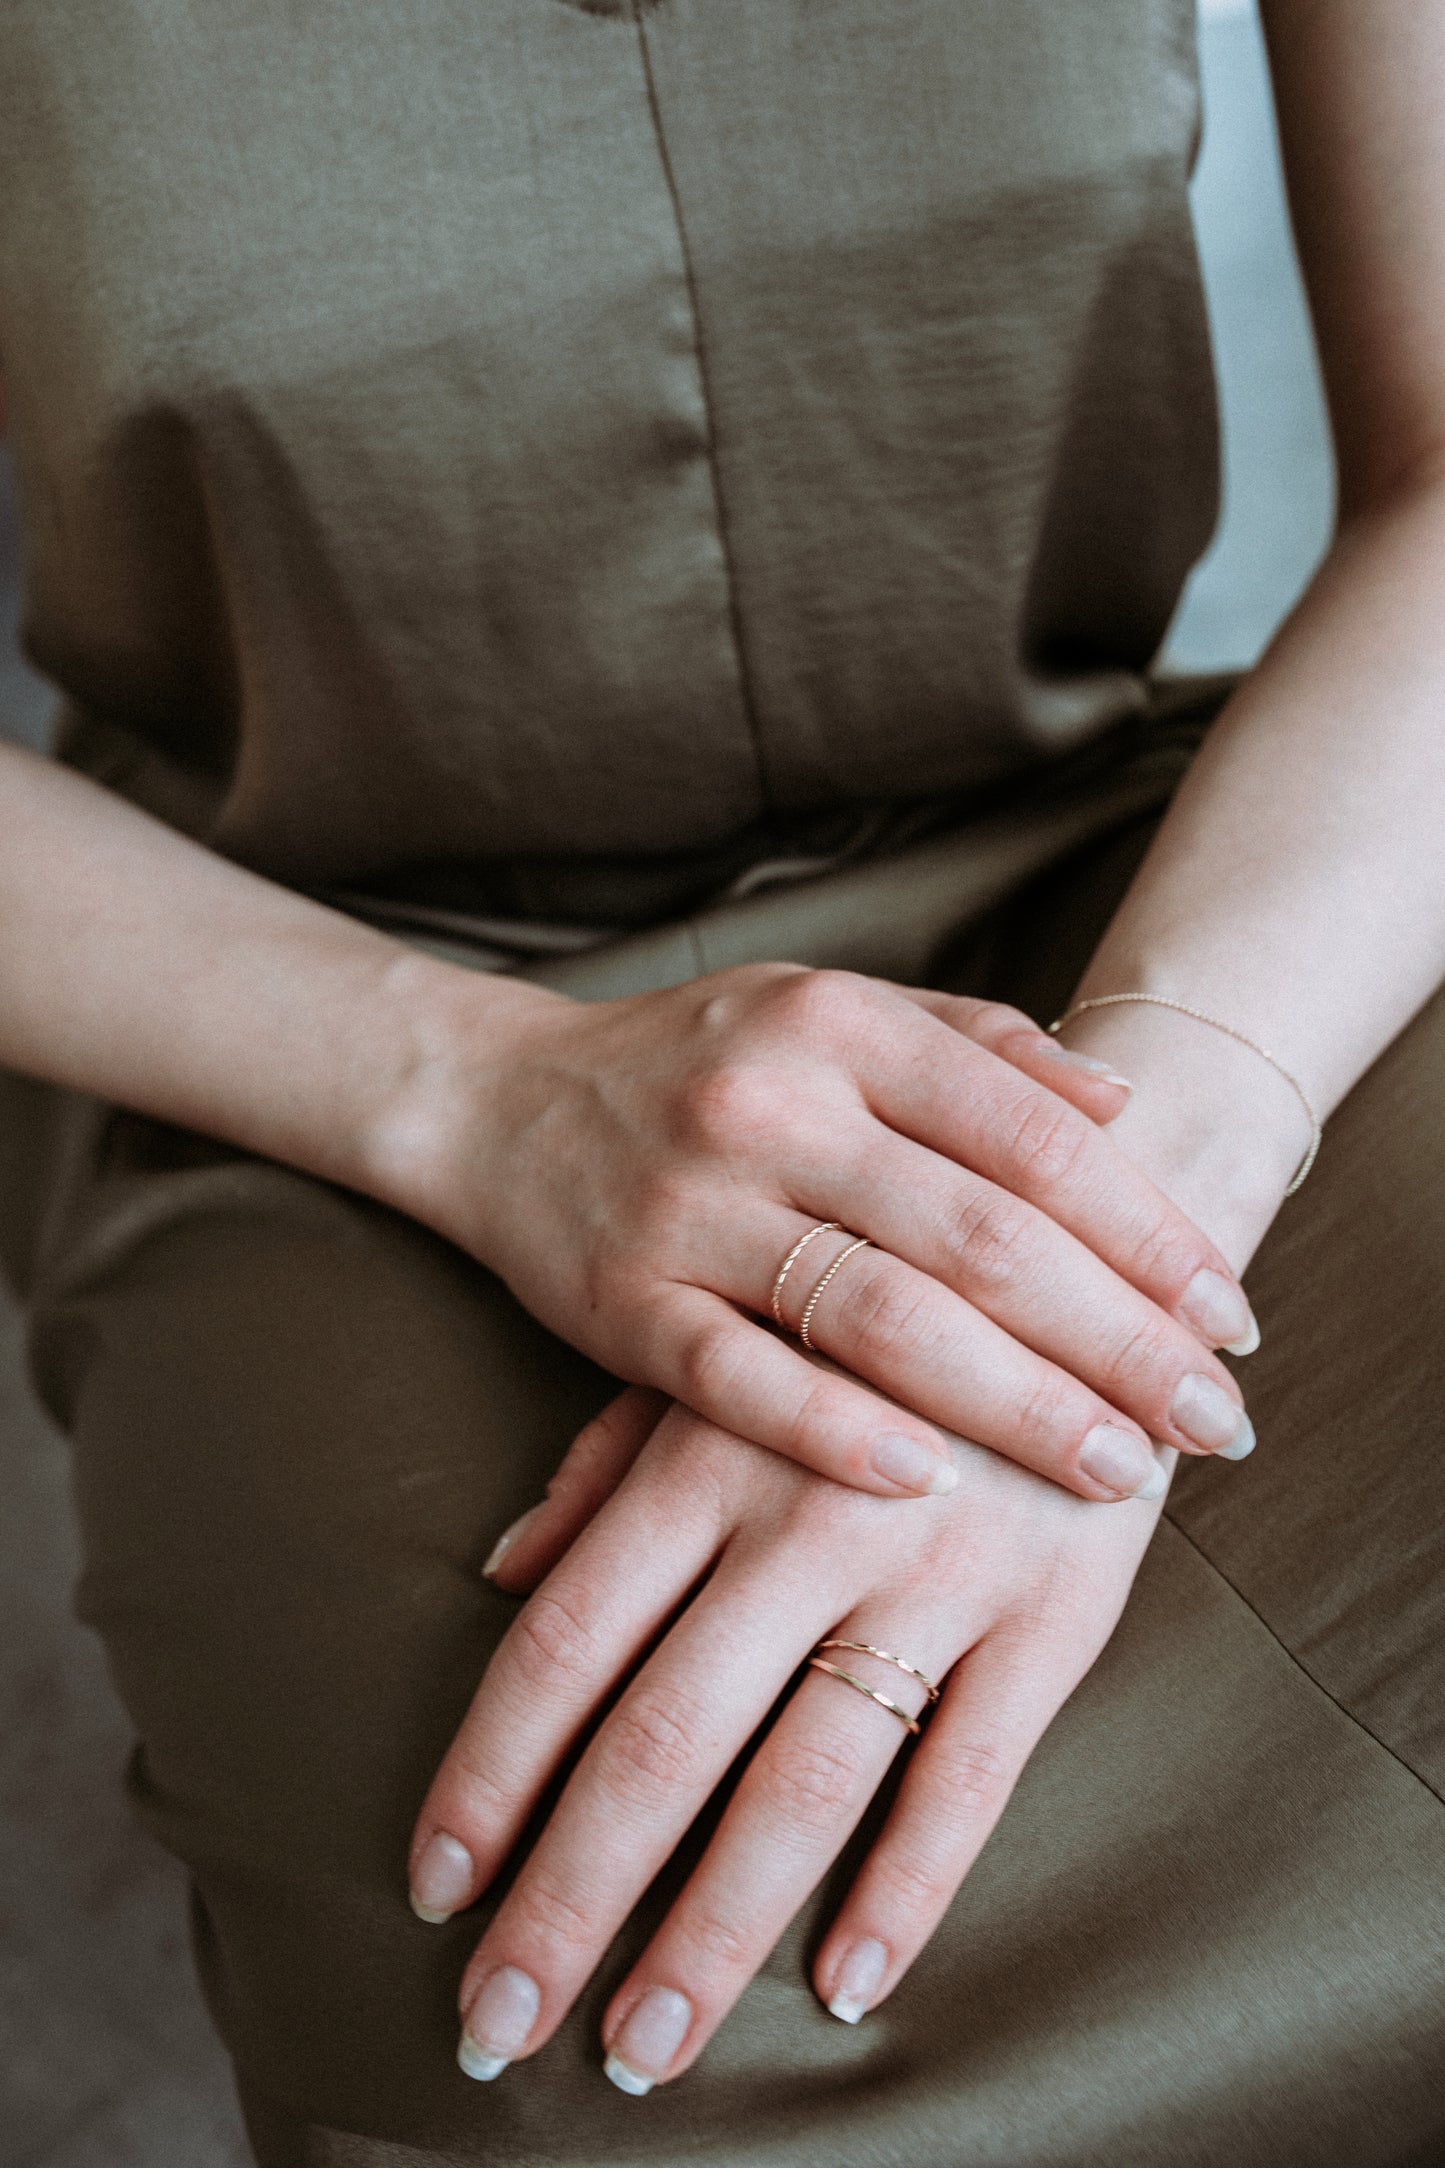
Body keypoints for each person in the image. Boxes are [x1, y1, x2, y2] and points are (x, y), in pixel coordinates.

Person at [1, 1, 1442, 2161]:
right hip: (318, 1003)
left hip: (1206, 905)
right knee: (610, 2046)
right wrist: (485, 1093)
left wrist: (1112, 1190)